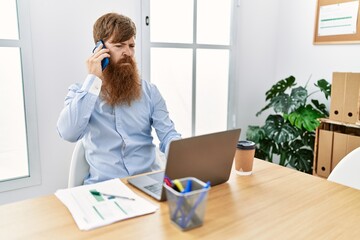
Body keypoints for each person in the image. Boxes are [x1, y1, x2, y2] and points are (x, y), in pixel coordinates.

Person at [57, 13, 181, 184]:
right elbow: (68, 133)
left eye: (131, 45)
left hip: (148, 182)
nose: (128, 52)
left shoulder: (150, 92)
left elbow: (168, 135)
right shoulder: (81, 92)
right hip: (106, 189)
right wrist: (93, 79)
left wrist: (185, 156)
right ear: (99, 50)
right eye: (119, 45)